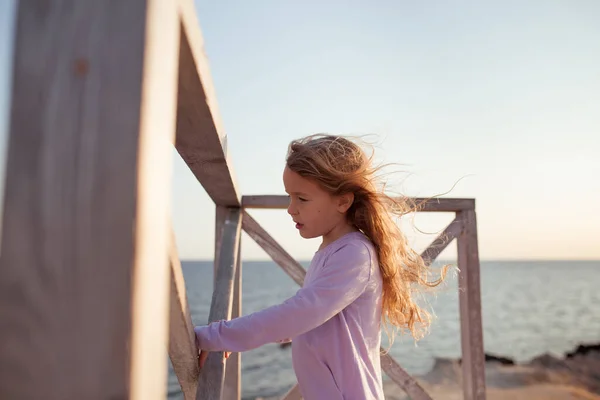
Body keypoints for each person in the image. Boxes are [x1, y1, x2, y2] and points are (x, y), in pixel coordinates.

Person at [194, 134, 446, 400]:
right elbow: (306, 323)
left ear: (342, 201)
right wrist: (236, 336)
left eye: (302, 199)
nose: (291, 209)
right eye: (289, 197)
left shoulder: (354, 255)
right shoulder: (331, 251)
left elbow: (297, 315)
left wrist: (218, 336)